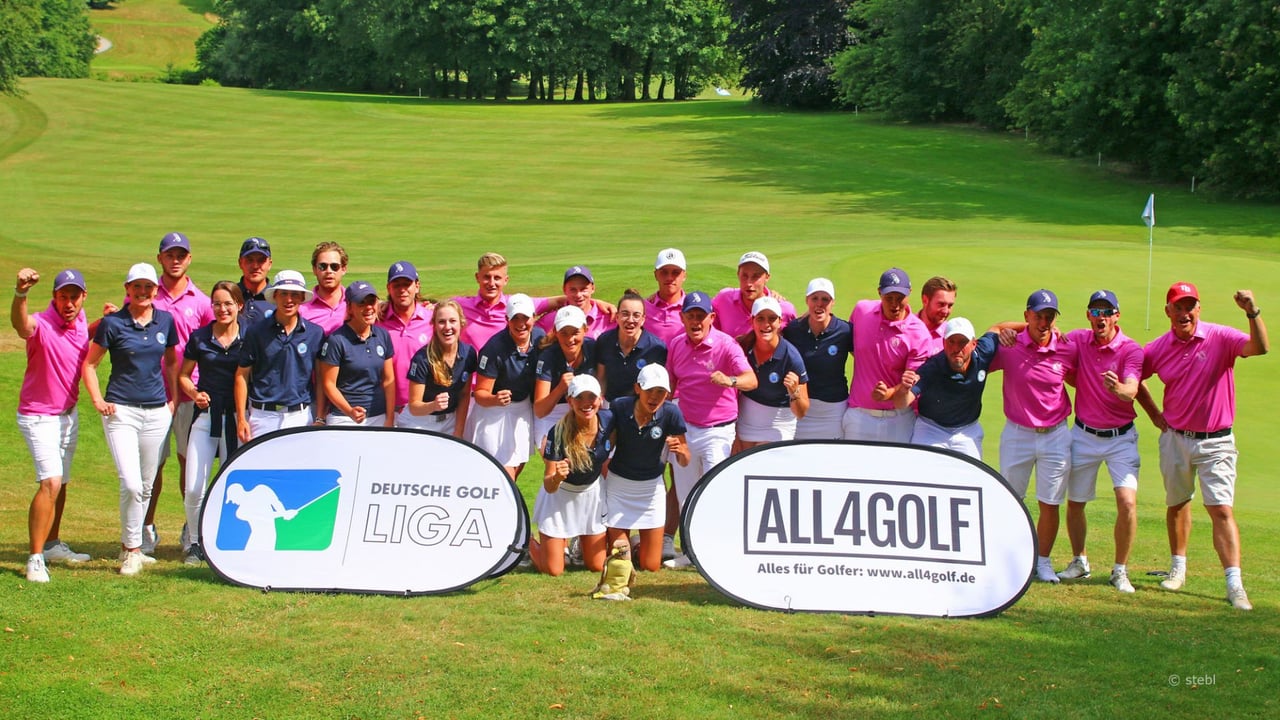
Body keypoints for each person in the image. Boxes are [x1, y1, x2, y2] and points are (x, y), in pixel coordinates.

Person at [1138, 282, 1268, 611]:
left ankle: (1234, 584)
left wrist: (1252, 312)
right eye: (1178, 307)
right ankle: (1178, 569)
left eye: (1190, 306)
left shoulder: (1220, 337)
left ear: (1199, 308)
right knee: (1177, 503)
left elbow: (1259, 347)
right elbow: (1134, 377)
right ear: (1168, 311)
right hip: (1176, 438)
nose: (1184, 313)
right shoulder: (1157, 348)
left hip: (1217, 441)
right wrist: (1155, 414)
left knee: (1221, 509)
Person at [81, 263, 178, 576]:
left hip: (156, 411)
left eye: (148, 287)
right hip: (121, 410)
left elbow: (173, 363)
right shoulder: (113, 323)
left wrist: (173, 399)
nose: (142, 292)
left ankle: (130, 546)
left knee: (147, 486)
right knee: (132, 483)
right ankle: (133, 549)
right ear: (128, 289)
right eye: (136, 287)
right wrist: (98, 400)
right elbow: (90, 365)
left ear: (155, 290)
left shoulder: (165, 320)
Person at [988, 289, 1076, 584]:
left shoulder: (1066, 347)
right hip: (1018, 434)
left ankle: (1043, 561)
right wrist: (1005, 328)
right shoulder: (1009, 346)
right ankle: (1009, 558)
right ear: (1027, 316)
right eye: (1038, 316)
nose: (1044, 322)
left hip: (1055, 434)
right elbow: (987, 336)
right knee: (1011, 498)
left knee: (1050, 502)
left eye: (1049, 317)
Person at [664, 291, 757, 567]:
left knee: (714, 491)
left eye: (701, 317)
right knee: (686, 493)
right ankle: (691, 553)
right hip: (686, 430)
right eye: (690, 316)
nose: (695, 322)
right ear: (682, 318)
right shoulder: (677, 345)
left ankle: (717, 552)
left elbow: (751, 380)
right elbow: (670, 386)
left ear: (711, 318)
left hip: (718, 431)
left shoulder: (726, 345)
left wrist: (729, 380)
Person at [13, 267, 93, 583]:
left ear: (83, 297)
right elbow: (21, 324)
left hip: (67, 415)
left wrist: (105, 320)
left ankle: (51, 543)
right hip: (37, 415)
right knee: (51, 482)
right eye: (63, 297)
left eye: (75, 296)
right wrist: (21, 293)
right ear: (54, 298)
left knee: (63, 482)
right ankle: (35, 558)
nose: (69, 303)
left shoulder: (81, 322)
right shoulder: (41, 323)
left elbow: (83, 339)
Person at [146, 231, 215, 557]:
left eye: (181, 255)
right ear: (160, 257)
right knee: (151, 466)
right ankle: (145, 529)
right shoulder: (147, 295)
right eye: (169, 254)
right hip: (151, 392)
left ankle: (191, 530)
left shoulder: (201, 302)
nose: (175, 260)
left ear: (189, 259)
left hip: (190, 393)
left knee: (189, 464)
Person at [177, 281, 246, 565]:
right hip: (206, 419)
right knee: (195, 486)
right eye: (217, 303)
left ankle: (224, 541)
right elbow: (184, 374)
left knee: (232, 485)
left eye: (228, 303)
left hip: (238, 420)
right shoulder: (200, 337)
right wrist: (194, 393)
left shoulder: (249, 337)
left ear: (239, 305)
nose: (222, 309)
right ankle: (195, 542)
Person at [603, 364, 689, 572]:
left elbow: (685, 459)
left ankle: (636, 545)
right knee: (621, 563)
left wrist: (680, 451)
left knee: (650, 566)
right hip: (619, 487)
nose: (654, 397)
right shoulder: (619, 407)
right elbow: (607, 446)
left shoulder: (671, 413)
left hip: (651, 490)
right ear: (637, 388)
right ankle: (627, 544)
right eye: (650, 390)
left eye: (661, 391)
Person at [529, 374, 612, 576]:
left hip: (591, 495)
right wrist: (557, 476)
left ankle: (577, 544)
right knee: (553, 570)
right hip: (560, 498)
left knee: (597, 566)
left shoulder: (609, 421)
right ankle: (526, 541)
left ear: (600, 399)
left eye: (591, 397)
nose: (586, 404)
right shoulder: (556, 433)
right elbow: (549, 485)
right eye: (579, 397)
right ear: (569, 401)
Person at [234, 270, 324, 444]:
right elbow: (242, 375)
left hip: (300, 416)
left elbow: (320, 378)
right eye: (283, 293)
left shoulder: (315, 333)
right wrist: (241, 418)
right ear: (275, 296)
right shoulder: (256, 332)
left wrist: (319, 416)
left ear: (301, 298)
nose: (289, 300)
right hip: (262, 417)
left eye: (294, 294)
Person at [844, 268, 932, 443]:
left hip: (897, 420)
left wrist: (888, 393)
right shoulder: (861, 311)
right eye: (889, 298)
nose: (895, 304)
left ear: (910, 294)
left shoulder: (919, 333)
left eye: (900, 298)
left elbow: (911, 382)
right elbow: (855, 347)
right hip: (859, 416)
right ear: (879, 293)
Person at [892, 317, 998, 460]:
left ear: (974, 344)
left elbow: (997, 328)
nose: (956, 348)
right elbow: (901, 403)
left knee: (971, 477)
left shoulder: (983, 352)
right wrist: (903, 390)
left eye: (962, 342)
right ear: (943, 343)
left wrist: (1022, 329)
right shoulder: (932, 367)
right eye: (951, 342)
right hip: (931, 429)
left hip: (967, 429)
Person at [473, 294, 545, 480]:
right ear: (507, 320)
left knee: (517, 465)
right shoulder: (494, 348)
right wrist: (495, 399)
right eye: (515, 318)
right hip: (494, 412)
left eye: (525, 318)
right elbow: (480, 394)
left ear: (534, 317)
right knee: (503, 474)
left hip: (522, 409)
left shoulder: (540, 338)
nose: (521, 324)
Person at [318, 281, 396, 427]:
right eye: (361, 303)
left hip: (378, 415)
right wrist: (349, 411)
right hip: (344, 418)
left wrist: (390, 418)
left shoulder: (383, 335)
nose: (368, 308)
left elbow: (388, 380)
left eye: (372, 302)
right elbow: (329, 384)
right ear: (350, 308)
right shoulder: (337, 340)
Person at [783, 278, 852, 440]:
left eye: (825, 299)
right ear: (807, 300)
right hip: (800, 408)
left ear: (832, 302)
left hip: (833, 411)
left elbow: (865, 358)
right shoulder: (793, 330)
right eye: (814, 299)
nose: (819, 304)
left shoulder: (845, 331)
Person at [738, 296, 809, 449]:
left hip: (778, 424)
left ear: (780, 321)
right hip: (746, 421)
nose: (766, 324)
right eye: (760, 318)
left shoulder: (791, 357)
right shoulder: (742, 347)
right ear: (752, 321)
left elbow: (801, 412)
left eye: (771, 319)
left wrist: (794, 392)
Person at [404, 299, 476, 437]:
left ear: (461, 323)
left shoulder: (468, 353)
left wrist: (459, 431)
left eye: (452, 321)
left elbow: (464, 395)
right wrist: (433, 405)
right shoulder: (422, 359)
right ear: (434, 325)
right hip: (420, 422)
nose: (447, 327)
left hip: (451, 420)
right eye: (442, 322)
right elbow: (414, 407)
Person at [376, 261, 433, 427]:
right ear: (389, 288)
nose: (402, 290)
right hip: (385, 409)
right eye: (397, 285)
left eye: (407, 284)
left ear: (417, 286)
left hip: (421, 410)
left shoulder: (432, 319)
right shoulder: (377, 320)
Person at [533, 305, 597, 449]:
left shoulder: (593, 349)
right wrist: (560, 388)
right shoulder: (548, 357)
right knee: (556, 462)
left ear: (585, 329)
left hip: (585, 409)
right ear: (555, 332)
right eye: (564, 333)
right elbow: (540, 410)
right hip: (553, 412)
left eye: (575, 332)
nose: (570, 339)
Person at [595, 289, 667, 405]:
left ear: (643, 319)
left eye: (636, 315)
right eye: (625, 314)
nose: (630, 320)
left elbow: (657, 387)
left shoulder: (656, 348)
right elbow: (601, 377)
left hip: (640, 406)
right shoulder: (604, 341)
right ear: (617, 317)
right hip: (610, 404)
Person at [712, 251, 796, 337]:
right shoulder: (723, 299)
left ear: (767, 277)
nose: (749, 283)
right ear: (738, 275)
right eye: (744, 275)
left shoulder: (785, 309)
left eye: (756, 276)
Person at [535, 265, 616, 339]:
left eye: (583, 289)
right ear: (564, 290)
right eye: (573, 290)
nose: (578, 295)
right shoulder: (551, 319)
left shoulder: (610, 317)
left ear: (593, 288)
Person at [298, 241, 348, 334]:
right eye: (322, 266)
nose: (329, 271)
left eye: (334, 266)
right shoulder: (301, 307)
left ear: (344, 269)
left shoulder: (355, 302)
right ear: (314, 270)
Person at [644, 248, 688, 344]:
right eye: (664, 272)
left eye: (676, 272)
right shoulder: (642, 308)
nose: (669, 278)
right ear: (656, 275)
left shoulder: (694, 309)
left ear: (684, 275)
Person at [236, 237, 274, 324]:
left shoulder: (277, 298)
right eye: (250, 260)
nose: (255, 266)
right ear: (240, 263)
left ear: (269, 264)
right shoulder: (229, 296)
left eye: (261, 260)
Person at [917, 276, 958, 355]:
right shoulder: (905, 329)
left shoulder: (952, 335)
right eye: (941, 304)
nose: (945, 311)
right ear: (925, 300)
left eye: (950, 306)